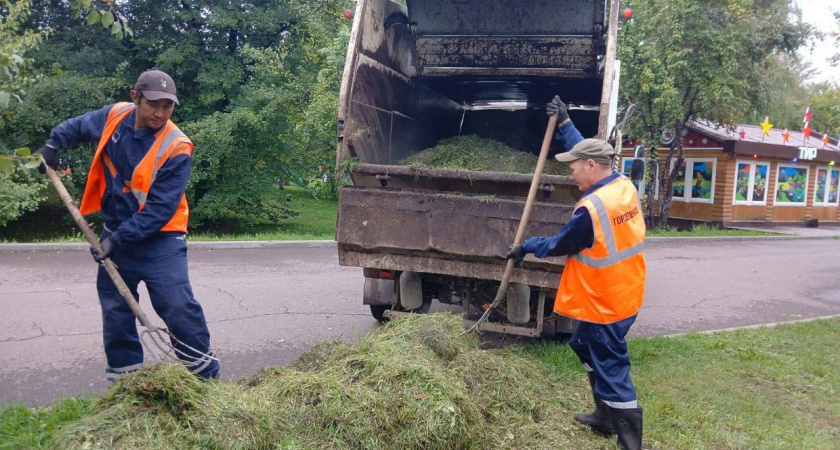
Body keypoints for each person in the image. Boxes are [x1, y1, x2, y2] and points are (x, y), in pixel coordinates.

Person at [34, 70, 220, 381]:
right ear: (136, 98)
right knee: (116, 308)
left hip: (162, 239)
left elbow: (159, 210)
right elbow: (79, 126)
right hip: (116, 231)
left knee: (176, 306)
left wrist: (117, 239)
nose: (160, 114)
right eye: (153, 105)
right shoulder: (115, 116)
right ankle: (125, 382)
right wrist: (53, 144)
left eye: (167, 107)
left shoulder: (177, 146)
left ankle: (206, 377)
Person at [506, 96, 646, 450]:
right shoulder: (621, 186)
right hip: (625, 290)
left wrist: (525, 247)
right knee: (580, 343)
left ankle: (630, 443)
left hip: (607, 303)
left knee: (612, 369)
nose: (569, 172)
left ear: (589, 167)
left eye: (573, 166)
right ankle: (603, 415)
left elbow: (559, 244)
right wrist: (566, 125)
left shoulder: (592, 210)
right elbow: (589, 151)